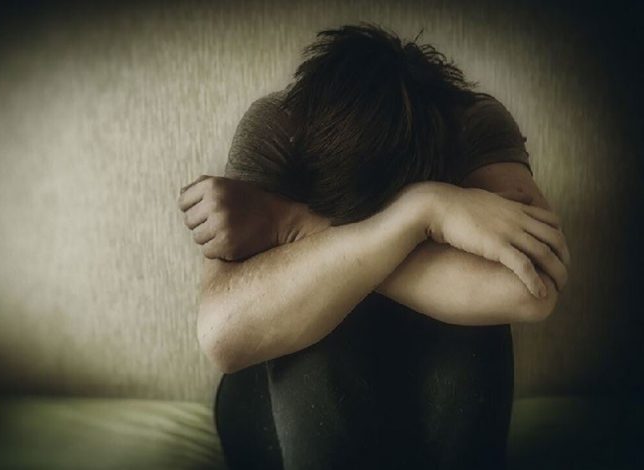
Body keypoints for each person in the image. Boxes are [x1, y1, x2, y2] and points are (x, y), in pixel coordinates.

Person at [177, 24, 569, 469]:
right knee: (312, 309)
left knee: (479, 321)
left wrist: (296, 223)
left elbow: (532, 287)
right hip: (281, 416)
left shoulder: (468, 120)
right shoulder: (280, 122)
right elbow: (222, 334)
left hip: (427, 387)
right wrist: (417, 219)